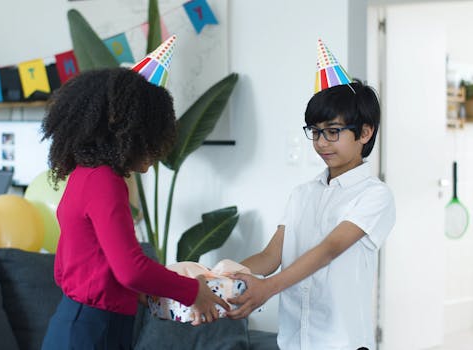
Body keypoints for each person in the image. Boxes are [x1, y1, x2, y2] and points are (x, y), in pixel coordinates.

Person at [40, 65, 229, 349]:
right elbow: (132, 270)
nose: (157, 150)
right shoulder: (105, 182)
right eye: (155, 138)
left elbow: (75, 267)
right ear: (132, 133)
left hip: (74, 323)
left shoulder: (84, 174)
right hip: (95, 330)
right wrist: (193, 291)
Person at [227, 40, 396, 350]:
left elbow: (330, 249)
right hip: (294, 341)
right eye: (315, 132)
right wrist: (218, 277)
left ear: (365, 132)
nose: (321, 143)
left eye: (333, 131)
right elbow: (270, 256)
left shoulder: (375, 196)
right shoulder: (302, 194)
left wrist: (268, 289)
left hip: (342, 343)